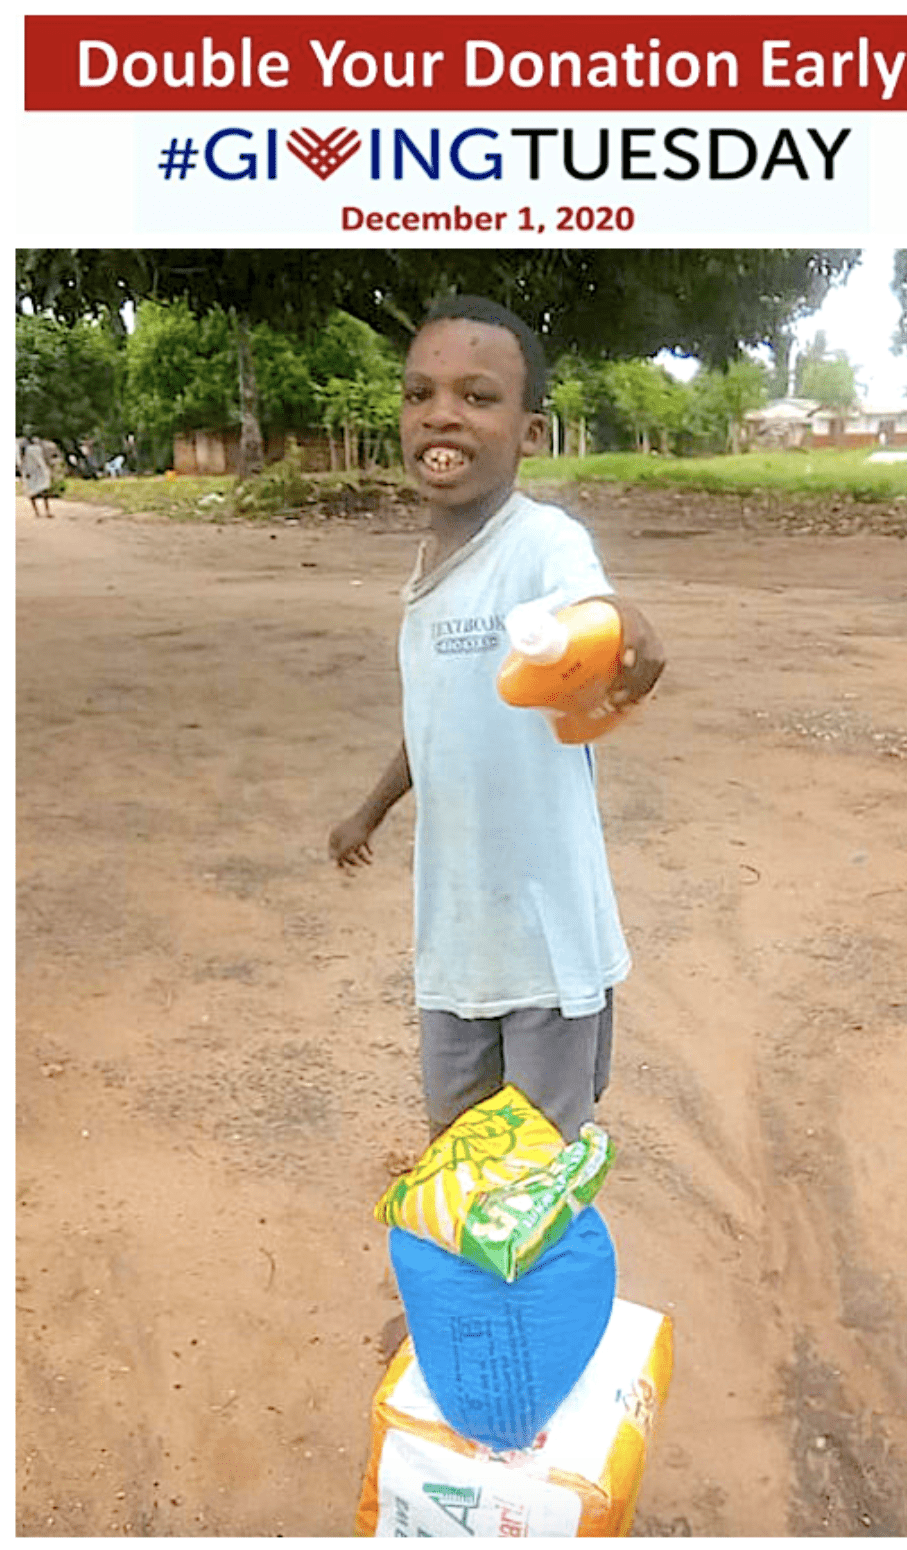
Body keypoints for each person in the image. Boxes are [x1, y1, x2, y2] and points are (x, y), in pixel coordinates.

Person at [328, 296, 664, 1143]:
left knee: (541, 1174)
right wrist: (369, 810)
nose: (442, 413)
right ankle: (477, 1284)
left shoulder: (542, 543)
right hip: (454, 937)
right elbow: (437, 715)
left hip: (548, 945)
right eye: (419, 394)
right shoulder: (427, 571)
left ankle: (548, 1283)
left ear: (531, 432)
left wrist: (620, 623)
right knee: (458, 1150)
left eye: (478, 396)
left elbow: (586, 607)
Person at [19, 437, 53, 517]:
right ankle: (36, 512)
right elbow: (22, 459)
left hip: (40, 470)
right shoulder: (23, 444)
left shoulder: (38, 442)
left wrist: (46, 467)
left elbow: (43, 457)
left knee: (44, 491)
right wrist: (24, 471)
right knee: (32, 492)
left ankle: (47, 511)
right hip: (30, 471)